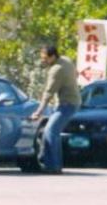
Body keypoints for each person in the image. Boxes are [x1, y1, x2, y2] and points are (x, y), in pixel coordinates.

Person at [30, 45, 81, 174]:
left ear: (53, 56)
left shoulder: (56, 70)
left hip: (67, 104)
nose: (43, 61)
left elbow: (48, 93)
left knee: (50, 131)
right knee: (52, 132)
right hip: (72, 102)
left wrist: (38, 112)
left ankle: (53, 167)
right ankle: (51, 164)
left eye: (45, 58)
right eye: (42, 58)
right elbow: (76, 73)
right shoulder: (66, 60)